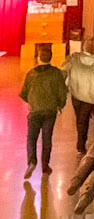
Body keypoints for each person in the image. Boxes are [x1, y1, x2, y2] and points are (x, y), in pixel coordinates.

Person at [19, 47, 67, 179]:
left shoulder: (31, 73)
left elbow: (23, 93)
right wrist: (60, 105)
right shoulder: (56, 73)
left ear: (38, 58)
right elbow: (62, 92)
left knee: (31, 138)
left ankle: (31, 161)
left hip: (35, 111)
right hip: (50, 111)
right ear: (51, 57)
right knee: (47, 138)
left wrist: (32, 102)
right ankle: (45, 166)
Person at [63, 34, 94, 156]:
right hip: (89, 96)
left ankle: (81, 144)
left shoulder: (75, 59)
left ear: (83, 47)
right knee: (84, 120)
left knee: (79, 120)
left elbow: (68, 78)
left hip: (76, 95)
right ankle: (81, 146)